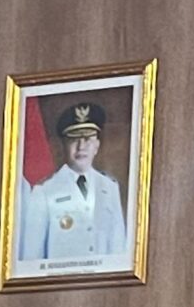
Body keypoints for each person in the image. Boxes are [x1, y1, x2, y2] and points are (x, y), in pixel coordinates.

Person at [17, 100, 129, 268]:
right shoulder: (44, 191)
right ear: (63, 145)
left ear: (97, 146)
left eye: (87, 139)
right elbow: (32, 257)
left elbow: (118, 248)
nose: (81, 147)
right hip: (60, 281)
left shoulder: (110, 187)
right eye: (73, 139)